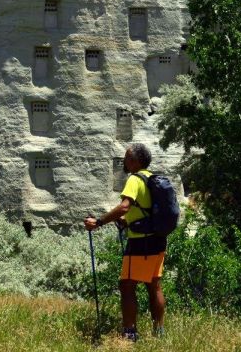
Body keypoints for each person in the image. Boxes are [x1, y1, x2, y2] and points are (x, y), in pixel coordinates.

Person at [84, 143, 166, 342]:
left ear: (136, 161)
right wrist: (126, 222)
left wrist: (99, 222)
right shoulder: (151, 178)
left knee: (126, 286)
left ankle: (129, 334)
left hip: (140, 244)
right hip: (158, 240)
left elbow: (124, 206)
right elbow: (141, 210)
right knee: (153, 285)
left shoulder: (135, 179)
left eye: (127, 158)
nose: (124, 161)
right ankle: (159, 331)